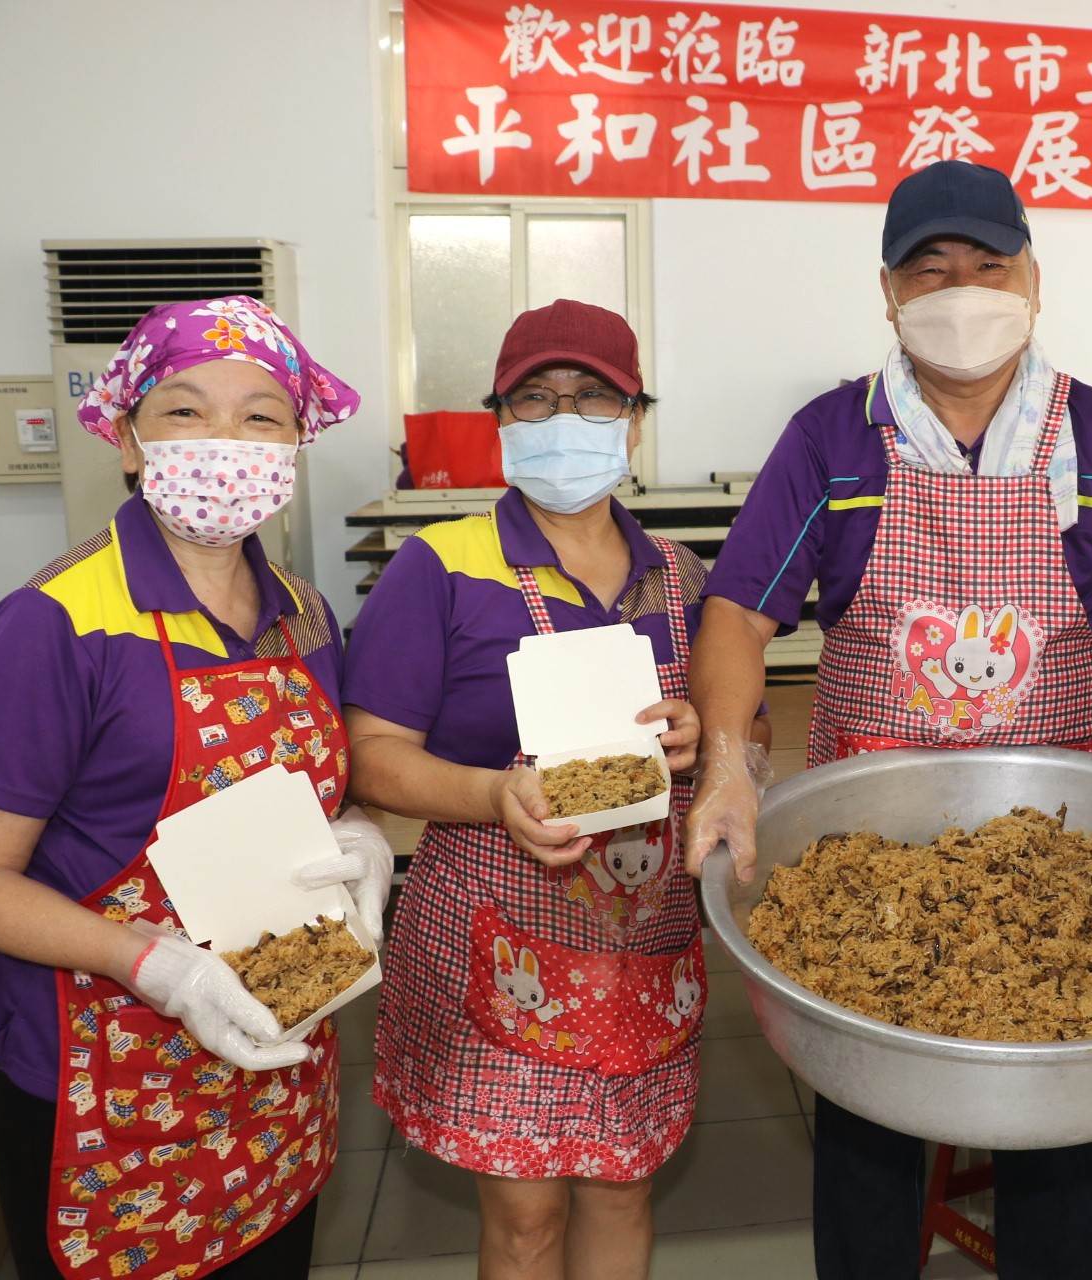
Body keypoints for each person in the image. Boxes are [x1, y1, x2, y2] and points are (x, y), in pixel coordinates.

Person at [683, 160, 1092, 1279]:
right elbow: (739, 610)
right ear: (886, 292)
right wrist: (729, 768)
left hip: (1057, 844)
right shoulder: (834, 436)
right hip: (869, 837)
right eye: (932, 269)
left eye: (990, 265)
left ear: (1035, 276)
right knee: (868, 1116)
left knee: (1049, 1117)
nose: (963, 290)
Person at [342, 300, 766, 1280]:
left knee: (623, 1183)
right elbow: (371, 754)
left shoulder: (685, 576)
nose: (562, 416)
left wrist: (710, 738)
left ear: (635, 419)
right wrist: (496, 794)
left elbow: (743, 736)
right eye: (534, 397)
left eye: (591, 397)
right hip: (497, 934)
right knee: (526, 1209)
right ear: (501, 417)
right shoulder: (441, 566)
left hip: (644, 941)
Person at [0, 296, 383, 1279]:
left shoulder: (303, 611)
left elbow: (317, 783)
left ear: (297, 442)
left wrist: (365, 830)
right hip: (105, 1078)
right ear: (127, 439)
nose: (226, 439)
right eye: (184, 410)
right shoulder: (56, 623)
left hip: (277, 1056)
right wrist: (156, 966)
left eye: (261, 415)